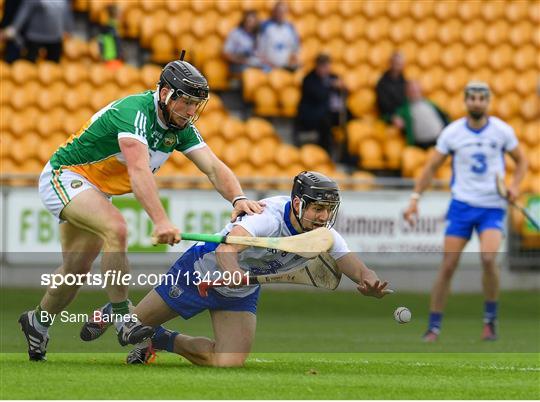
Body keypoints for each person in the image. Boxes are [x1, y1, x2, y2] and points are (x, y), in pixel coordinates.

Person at [18, 57, 264, 361]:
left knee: (75, 270)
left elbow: (213, 167)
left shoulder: (181, 127)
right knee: (117, 229)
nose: (190, 112)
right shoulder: (134, 113)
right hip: (66, 175)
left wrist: (238, 198)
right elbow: (138, 171)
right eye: (185, 102)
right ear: (164, 94)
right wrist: (160, 220)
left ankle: (37, 321)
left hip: (98, 190)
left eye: (195, 105)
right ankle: (123, 317)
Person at [82, 171, 392, 367]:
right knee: (128, 331)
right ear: (298, 204)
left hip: (241, 290)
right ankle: (116, 310)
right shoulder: (267, 218)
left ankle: (160, 340)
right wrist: (229, 268)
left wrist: (371, 282)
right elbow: (226, 248)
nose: (324, 216)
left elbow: (356, 268)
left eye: (328, 210)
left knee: (227, 361)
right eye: (317, 208)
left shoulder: (324, 236)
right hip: (200, 273)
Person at [403, 81, 528, 342]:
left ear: (488, 101)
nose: (477, 102)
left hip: (492, 206)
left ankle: (489, 321)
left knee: (487, 259)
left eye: (482, 98)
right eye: (472, 98)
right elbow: (430, 168)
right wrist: (415, 198)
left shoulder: (502, 131)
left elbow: (522, 162)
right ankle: (434, 326)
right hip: (461, 206)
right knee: (448, 266)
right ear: (465, 101)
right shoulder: (453, 133)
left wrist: (514, 186)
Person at [295, 54, 349, 156]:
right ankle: (326, 153)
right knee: (325, 122)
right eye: (323, 67)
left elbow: (344, 93)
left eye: (327, 67)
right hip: (313, 115)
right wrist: (331, 86)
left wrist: (343, 88)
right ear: (318, 67)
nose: (326, 70)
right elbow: (319, 95)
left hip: (332, 112)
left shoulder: (333, 77)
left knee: (349, 120)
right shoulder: (309, 79)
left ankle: (345, 154)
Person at [1, 0, 73, 63]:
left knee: (54, 64)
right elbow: (24, 13)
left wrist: (69, 29)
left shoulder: (63, 1)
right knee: (30, 64)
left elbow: (66, 14)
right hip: (35, 37)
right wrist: (14, 29)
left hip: (55, 38)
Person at [392, 81, 450, 149]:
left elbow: (444, 116)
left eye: (416, 89)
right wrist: (395, 119)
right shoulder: (405, 109)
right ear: (406, 93)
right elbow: (390, 116)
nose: (414, 92)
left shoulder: (429, 103)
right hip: (422, 144)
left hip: (440, 139)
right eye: (411, 90)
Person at [256, 1, 300, 71]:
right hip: (268, 67)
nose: (281, 14)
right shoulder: (265, 26)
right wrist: (267, 62)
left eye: (283, 12)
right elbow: (259, 49)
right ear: (274, 12)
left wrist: (292, 60)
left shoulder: (290, 28)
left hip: (285, 67)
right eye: (279, 11)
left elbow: (295, 48)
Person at [223, 10, 261, 74]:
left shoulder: (258, 35)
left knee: (267, 69)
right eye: (248, 21)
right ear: (244, 21)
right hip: (238, 65)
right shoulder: (235, 33)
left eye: (252, 22)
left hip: (254, 64)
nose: (250, 24)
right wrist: (240, 60)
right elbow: (225, 53)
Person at [375, 52, 407, 123]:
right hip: (388, 115)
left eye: (400, 64)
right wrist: (394, 116)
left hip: (403, 112)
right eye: (395, 63)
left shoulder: (404, 80)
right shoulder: (382, 82)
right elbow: (383, 104)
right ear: (390, 63)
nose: (397, 66)